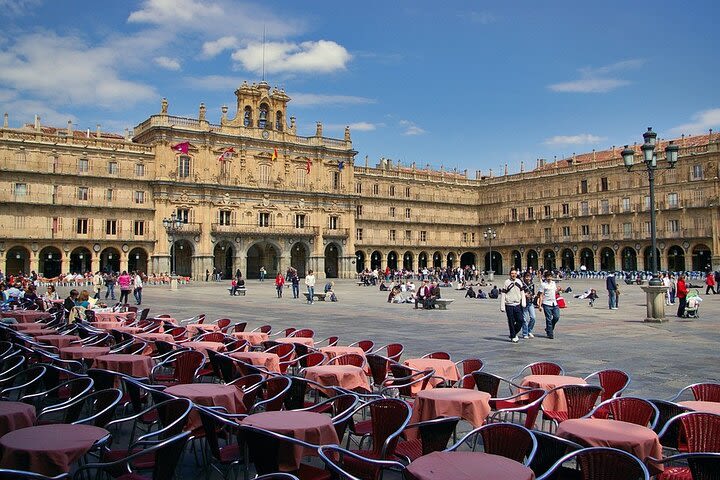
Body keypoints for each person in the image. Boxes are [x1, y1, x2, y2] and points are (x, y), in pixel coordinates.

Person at [500, 268, 526, 343]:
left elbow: (522, 292)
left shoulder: (519, 281)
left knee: (520, 320)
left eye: (514, 273)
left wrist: (523, 302)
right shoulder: (506, 282)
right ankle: (513, 336)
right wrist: (502, 306)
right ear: (510, 274)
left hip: (517, 304)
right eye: (512, 273)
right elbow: (503, 294)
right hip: (509, 304)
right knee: (511, 321)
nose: (513, 275)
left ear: (516, 274)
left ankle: (513, 333)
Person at [538, 271, 560, 339]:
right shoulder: (543, 284)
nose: (549, 278)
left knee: (556, 317)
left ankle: (548, 328)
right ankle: (550, 333)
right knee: (548, 319)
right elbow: (541, 295)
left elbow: (554, 292)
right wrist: (540, 305)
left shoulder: (553, 283)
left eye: (550, 276)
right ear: (545, 277)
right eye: (548, 276)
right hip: (546, 303)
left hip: (554, 303)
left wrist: (558, 290)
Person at [521, 271, 536, 339]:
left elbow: (533, 293)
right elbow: (519, 293)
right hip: (524, 303)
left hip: (530, 303)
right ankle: (525, 333)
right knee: (525, 319)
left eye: (529, 277)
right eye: (526, 277)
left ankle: (529, 330)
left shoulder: (532, 284)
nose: (528, 278)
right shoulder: (521, 284)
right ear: (524, 277)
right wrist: (524, 295)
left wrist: (532, 296)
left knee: (533, 318)